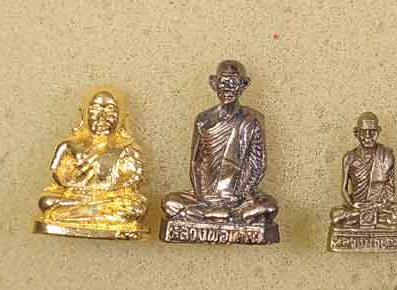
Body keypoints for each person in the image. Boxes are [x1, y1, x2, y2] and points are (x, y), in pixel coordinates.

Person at [162, 60, 278, 224]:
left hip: (238, 197)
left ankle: (214, 215)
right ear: (214, 84)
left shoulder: (252, 119)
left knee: (270, 206)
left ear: (243, 84)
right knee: (169, 202)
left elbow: (258, 164)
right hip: (204, 196)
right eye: (223, 83)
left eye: (233, 83)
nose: (227, 89)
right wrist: (203, 197)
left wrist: (240, 193)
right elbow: (196, 163)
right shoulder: (203, 120)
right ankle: (219, 214)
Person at [37, 90, 147, 233]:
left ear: (122, 117)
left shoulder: (128, 149)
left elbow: (130, 186)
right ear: (84, 115)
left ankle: (67, 214)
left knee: (134, 208)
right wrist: (73, 181)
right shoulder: (69, 146)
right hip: (76, 197)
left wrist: (108, 192)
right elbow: (58, 180)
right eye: (95, 110)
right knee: (46, 201)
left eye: (110, 111)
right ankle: (90, 213)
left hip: (111, 199)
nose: (102, 118)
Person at [330, 112, 397, 228]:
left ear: (378, 131)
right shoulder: (349, 158)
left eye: (372, 131)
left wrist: (379, 204)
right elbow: (344, 189)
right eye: (363, 132)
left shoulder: (386, 155)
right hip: (357, 206)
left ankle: (365, 218)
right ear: (356, 132)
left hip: (378, 206)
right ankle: (373, 219)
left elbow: (390, 187)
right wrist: (353, 205)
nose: (368, 136)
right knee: (335, 215)